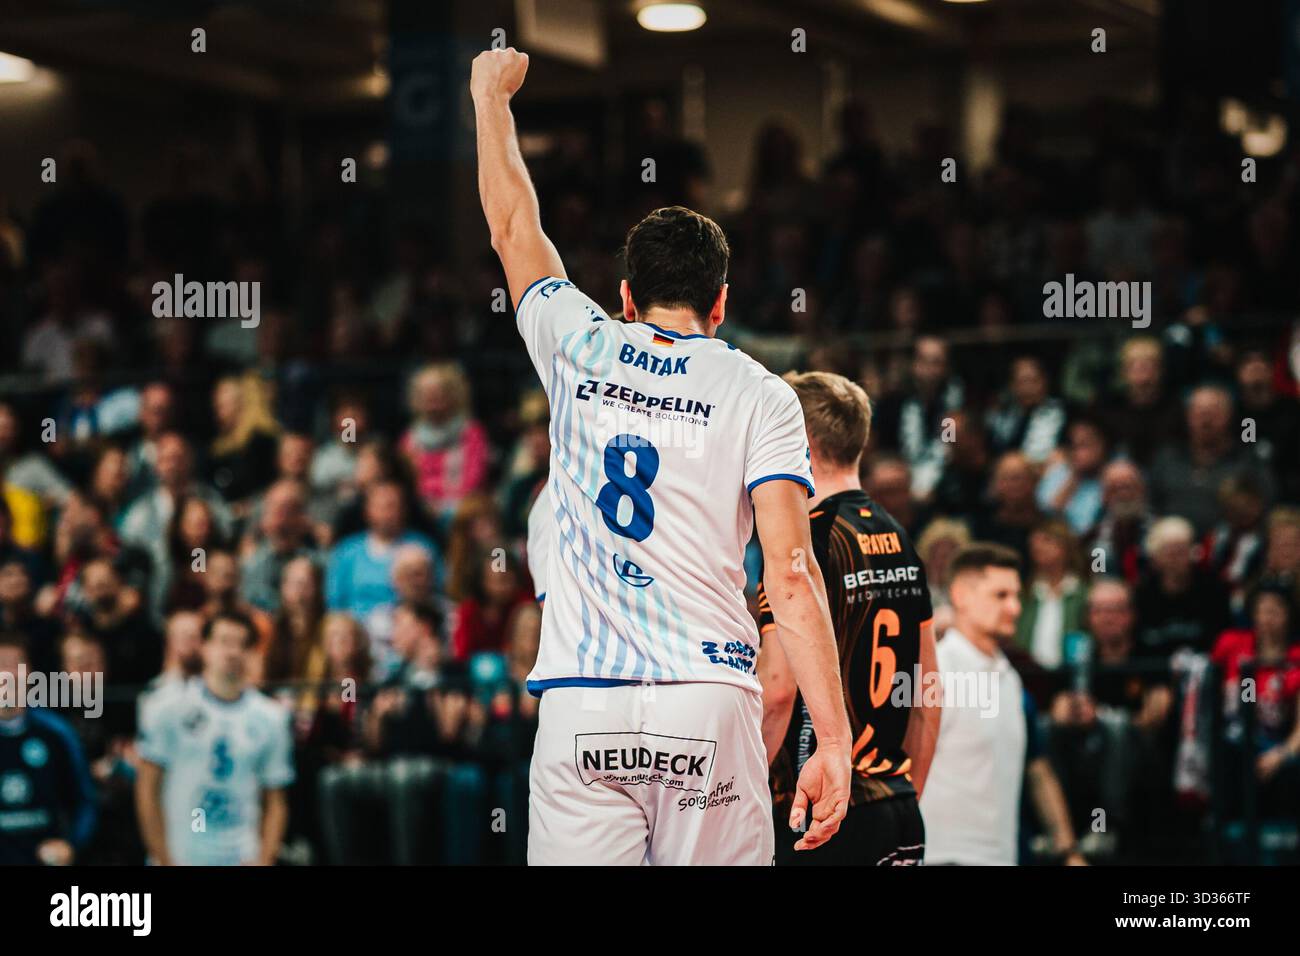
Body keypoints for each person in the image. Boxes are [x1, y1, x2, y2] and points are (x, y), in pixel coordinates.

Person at [472, 47, 850, 865]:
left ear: (626, 298)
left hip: (581, 706)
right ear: (720, 302)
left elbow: (511, 224)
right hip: (705, 703)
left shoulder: (576, 342)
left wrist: (489, 99)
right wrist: (834, 737)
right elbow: (789, 570)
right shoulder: (760, 393)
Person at [757, 371, 939, 865]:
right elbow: (928, 695)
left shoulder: (804, 542)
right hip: (896, 806)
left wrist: (735, 800)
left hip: (818, 810)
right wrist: (904, 794)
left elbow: (776, 691)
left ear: (802, 440)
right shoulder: (900, 536)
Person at [920, 544, 1086, 865]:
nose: (1014, 607)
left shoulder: (1010, 679)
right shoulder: (934, 673)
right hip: (943, 857)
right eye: (1000, 595)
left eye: (1016, 595)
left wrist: (1068, 851)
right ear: (960, 596)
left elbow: (1037, 768)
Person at [135, 610, 294, 866]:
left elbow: (276, 800)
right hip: (181, 855)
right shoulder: (167, 708)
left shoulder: (271, 718)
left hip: (241, 855)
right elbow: (147, 788)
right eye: (224, 642)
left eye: (242, 644)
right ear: (205, 647)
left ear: (253, 653)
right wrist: (162, 857)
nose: (232, 652)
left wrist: (264, 860)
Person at [0, 633, 98, 865]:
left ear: (31, 674)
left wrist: (71, 844)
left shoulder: (56, 733)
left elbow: (84, 799)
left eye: (17, 665)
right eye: (1, 665)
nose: (9, 674)